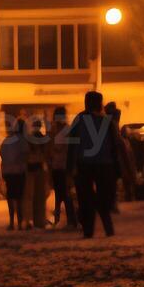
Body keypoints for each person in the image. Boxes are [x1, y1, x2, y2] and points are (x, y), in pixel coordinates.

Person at [67, 90, 118, 238]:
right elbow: (115, 145)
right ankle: (108, 229)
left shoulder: (79, 120)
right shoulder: (107, 122)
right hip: (105, 164)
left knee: (85, 199)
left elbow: (72, 146)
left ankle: (88, 231)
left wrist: (70, 168)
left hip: (85, 164)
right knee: (104, 200)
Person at [47, 106, 76, 231]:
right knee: (61, 194)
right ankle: (63, 219)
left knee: (63, 194)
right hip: (59, 166)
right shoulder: (64, 130)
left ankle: (69, 219)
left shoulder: (64, 130)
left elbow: (53, 148)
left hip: (62, 166)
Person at [0, 117, 28, 230]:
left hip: (8, 173)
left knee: (10, 198)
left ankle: (12, 222)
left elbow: (2, 157)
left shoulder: (5, 141)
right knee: (19, 198)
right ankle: (20, 223)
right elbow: (25, 156)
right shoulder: (22, 140)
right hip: (19, 172)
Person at [25, 118, 50, 230]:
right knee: (40, 196)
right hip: (40, 168)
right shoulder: (43, 138)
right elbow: (46, 153)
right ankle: (40, 220)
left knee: (31, 196)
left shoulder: (29, 139)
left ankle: (31, 220)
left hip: (31, 169)